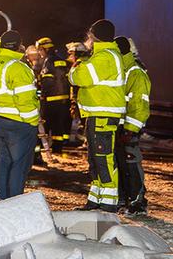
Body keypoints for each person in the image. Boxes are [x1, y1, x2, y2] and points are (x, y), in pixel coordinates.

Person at [67, 19, 126, 212]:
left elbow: (79, 78)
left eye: (90, 35)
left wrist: (76, 68)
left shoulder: (104, 57)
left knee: (103, 158)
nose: (88, 39)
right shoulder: (101, 55)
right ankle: (96, 200)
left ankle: (108, 204)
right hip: (97, 114)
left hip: (103, 114)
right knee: (95, 159)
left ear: (94, 36)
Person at [0, 30, 40, 198]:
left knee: (5, 164)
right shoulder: (18, 67)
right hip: (19, 123)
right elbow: (25, 100)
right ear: (18, 46)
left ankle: (4, 201)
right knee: (19, 166)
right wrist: (33, 122)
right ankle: (15, 203)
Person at [115, 36, 150, 215]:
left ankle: (138, 201)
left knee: (131, 163)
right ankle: (127, 198)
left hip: (129, 128)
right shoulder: (124, 69)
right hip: (121, 127)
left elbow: (140, 104)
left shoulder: (135, 72)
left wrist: (131, 129)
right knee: (123, 164)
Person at [36, 37, 73, 153]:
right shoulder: (62, 61)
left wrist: (42, 95)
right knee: (59, 124)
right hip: (64, 99)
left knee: (48, 123)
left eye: (40, 50)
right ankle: (58, 147)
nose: (39, 53)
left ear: (44, 49)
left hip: (51, 99)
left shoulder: (49, 61)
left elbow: (47, 81)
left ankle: (42, 148)